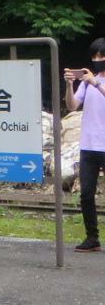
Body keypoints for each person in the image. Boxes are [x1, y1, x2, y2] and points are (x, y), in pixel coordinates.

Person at [64, 38, 105, 252]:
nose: (97, 60)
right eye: (94, 56)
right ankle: (92, 238)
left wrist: (96, 83)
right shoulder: (87, 83)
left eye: (101, 56)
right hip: (88, 146)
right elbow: (72, 106)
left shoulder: (94, 83)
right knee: (86, 194)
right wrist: (70, 84)